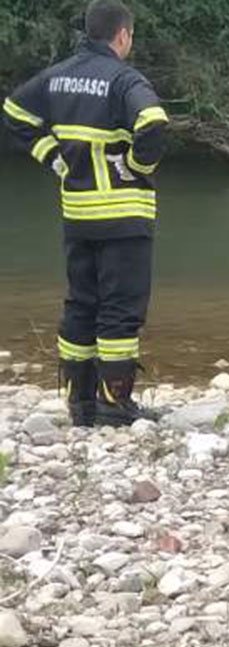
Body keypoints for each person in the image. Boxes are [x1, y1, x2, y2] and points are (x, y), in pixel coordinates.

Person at [3, 0, 168, 427]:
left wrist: (52, 157)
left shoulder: (57, 77)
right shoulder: (123, 78)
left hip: (77, 213)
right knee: (120, 307)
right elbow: (152, 120)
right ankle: (115, 403)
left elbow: (14, 112)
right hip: (123, 214)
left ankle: (80, 404)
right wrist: (138, 166)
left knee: (81, 303)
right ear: (122, 35)